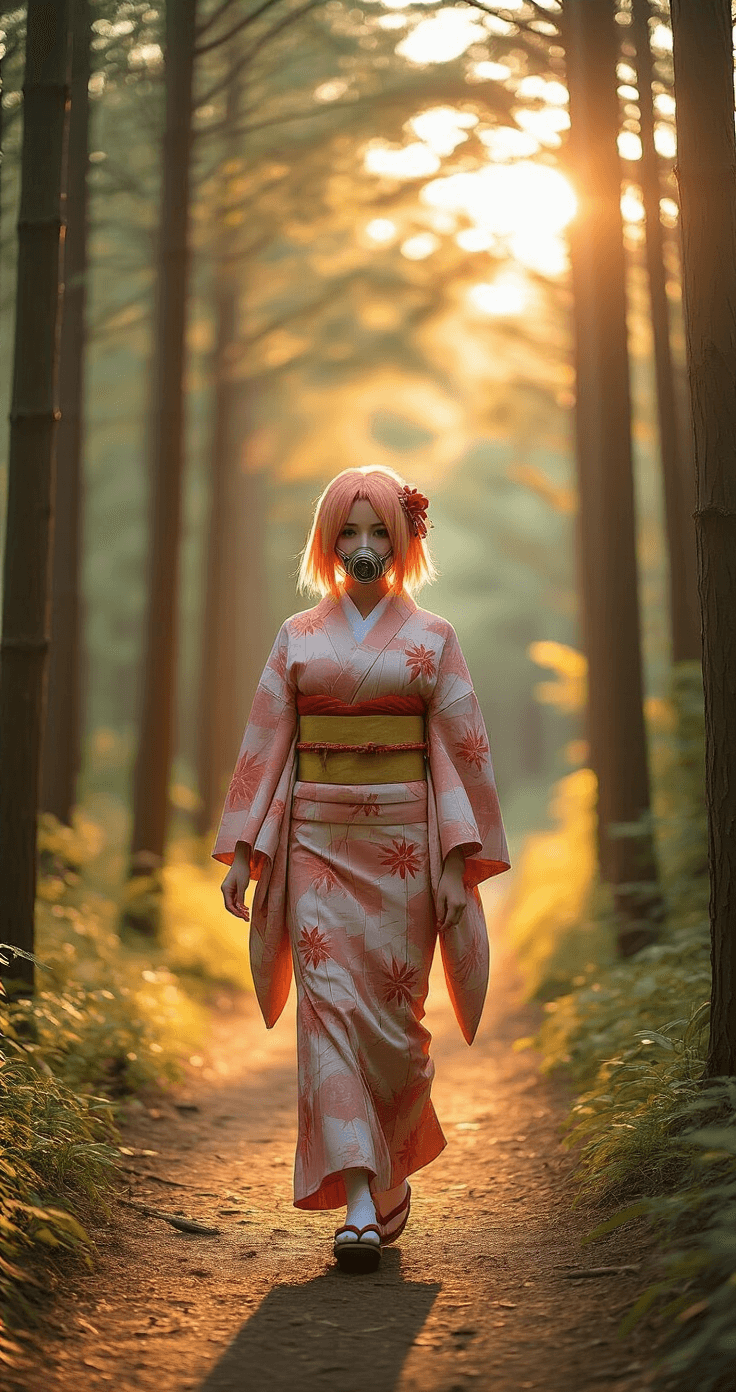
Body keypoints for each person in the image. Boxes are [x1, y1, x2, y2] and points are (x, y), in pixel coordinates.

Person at [215, 465, 510, 1275]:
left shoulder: (434, 639)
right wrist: (245, 849)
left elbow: (461, 754)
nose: (364, 546)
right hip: (313, 845)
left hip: (402, 851)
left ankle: (389, 1167)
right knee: (331, 1015)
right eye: (349, 532)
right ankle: (355, 1201)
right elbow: (265, 746)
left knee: (395, 1025)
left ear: (406, 540)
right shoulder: (296, 637)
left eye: (380, 531)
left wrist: (458, 864)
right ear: (327, 542)